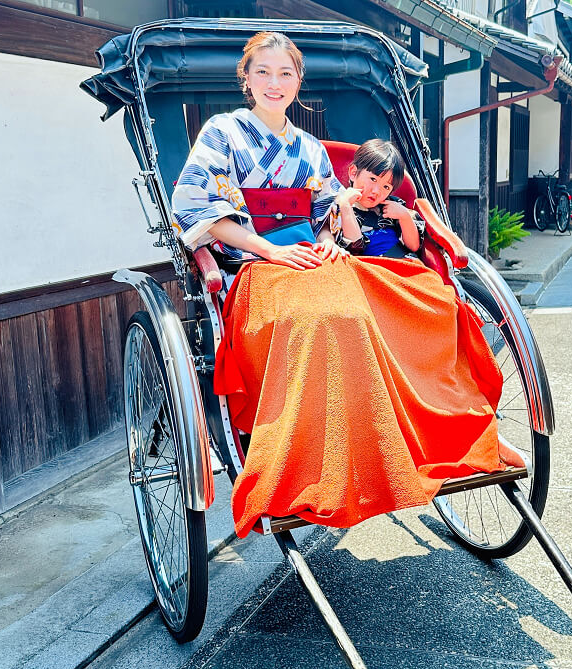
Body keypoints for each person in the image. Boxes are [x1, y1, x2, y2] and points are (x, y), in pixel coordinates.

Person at [171, 32, 518, 536]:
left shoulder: (309, 147)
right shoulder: (221, 133)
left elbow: (330, 213)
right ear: (245, 78)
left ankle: (461, 432)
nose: (274, 82)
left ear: (298, 82)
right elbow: (196, 209)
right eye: (263, 72)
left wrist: (332, 238)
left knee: (422, 297)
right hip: (252, 266)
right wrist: (269, 249)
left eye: (285, 73)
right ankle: (321, 462)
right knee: (334, 317)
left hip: (312, 257)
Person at [325, 138, 424, 261]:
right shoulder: (337, 208)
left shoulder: (394, 206)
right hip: (369, 267)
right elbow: (356, 248)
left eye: (386, 187)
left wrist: (404, 216)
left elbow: (414, 246)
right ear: (353, 173)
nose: (376, 191)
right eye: (373, 179)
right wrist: (345, 206)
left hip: (403, 263)